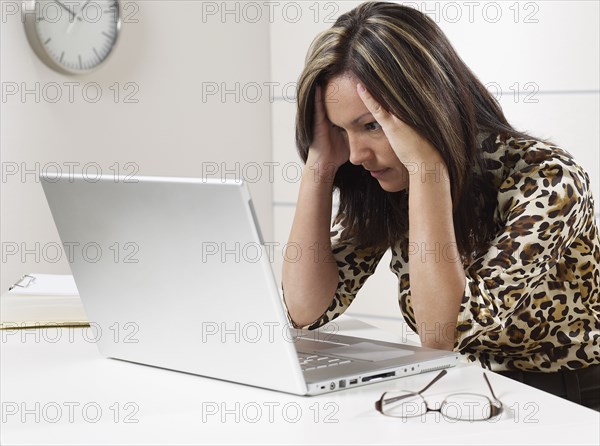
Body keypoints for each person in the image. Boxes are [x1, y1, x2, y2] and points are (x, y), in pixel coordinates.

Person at [281, 1, 600, 410]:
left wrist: (428, 170)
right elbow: (306, 309)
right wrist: (320, 165)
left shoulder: (548, 179)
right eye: (342, 130)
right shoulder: (384, 178)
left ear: (428, 105)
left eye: (372, 125)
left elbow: (439, 332)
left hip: (567, 397)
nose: (356, 154)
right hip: (461, 386)